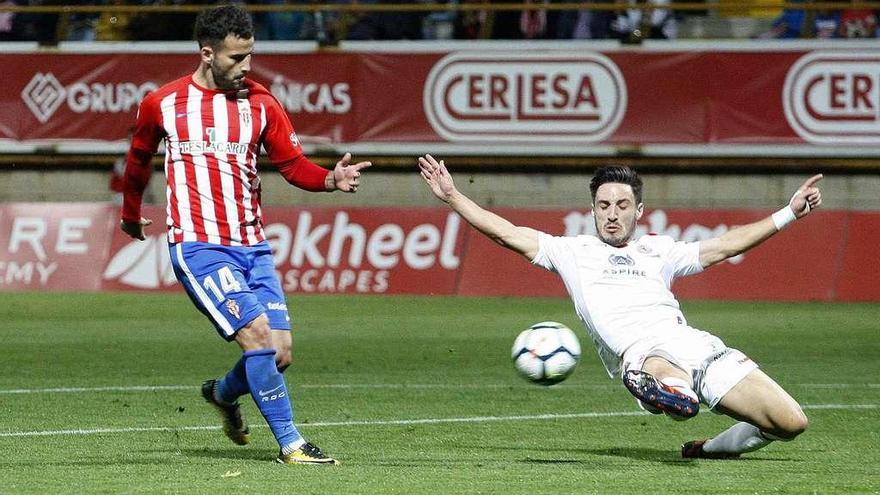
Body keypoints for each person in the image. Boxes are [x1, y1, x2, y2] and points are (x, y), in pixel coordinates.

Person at [418, 155, 821, 459]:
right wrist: (453, 196)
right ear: (592, 209)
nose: (612, 214)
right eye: (604, 205)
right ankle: (667, 392)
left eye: (622, 205)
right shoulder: (570, 251)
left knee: (791, 423)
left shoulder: (660, 250)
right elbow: (506, 233)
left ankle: (708, 445)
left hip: (697, 346)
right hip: (643, 354)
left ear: (639, 210)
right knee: (659, 363)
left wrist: (789, 213)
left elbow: (725, 245)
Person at [120, 4, 371, 465]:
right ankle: (292, 444)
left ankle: (222, 393)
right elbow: (137, 163)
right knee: (256, 335)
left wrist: (330, 180)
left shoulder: (261, 103)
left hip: (251, 246)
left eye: (250, 55)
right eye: (236, 58)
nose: (246, 66)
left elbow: (293, 166)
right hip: (198, 246)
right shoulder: (164, 103)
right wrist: (130, 214)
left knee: (279, 353)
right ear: (207, 53)